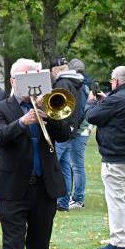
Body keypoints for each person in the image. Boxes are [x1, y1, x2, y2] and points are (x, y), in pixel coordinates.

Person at [0, 58, 71, 249]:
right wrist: (23, 121)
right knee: (12, 246)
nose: (32, 81)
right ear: (14, 81)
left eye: (36, 76)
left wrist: (51, 115)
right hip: (13, 187)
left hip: (44, 187)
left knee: (39, 248)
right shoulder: (0, 108)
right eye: (26, 76)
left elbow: (65, 134)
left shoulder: (48, 106)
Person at [86, 66, 125, 249]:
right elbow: (121, 111)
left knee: (116, 199)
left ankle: (119, 240)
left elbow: (92, 117)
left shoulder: (115, 99)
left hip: (116, 156)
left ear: (116, 81)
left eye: (112, 80)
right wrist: (106, 101)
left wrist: (91, 103)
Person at [49, 57, 87, 211]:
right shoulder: (76, 82)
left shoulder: (62, 83)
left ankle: (55, 199)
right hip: (71, 128)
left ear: (55, 70)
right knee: (65, 166)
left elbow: (56, 109)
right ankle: (63, 202)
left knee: (53, 163)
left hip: (62, 129)